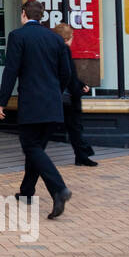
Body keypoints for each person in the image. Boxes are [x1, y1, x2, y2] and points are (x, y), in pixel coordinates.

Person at [0, 0, 74, 219]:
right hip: (52, 104)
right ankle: (27, 191)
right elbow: (66, 73)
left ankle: (59, 189)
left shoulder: (18, 36)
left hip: (31, 103)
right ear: (42, 17)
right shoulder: (55, 39)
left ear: (23, 14)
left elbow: (11, 70)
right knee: (37, 149)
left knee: (31, 147)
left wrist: (1, 101)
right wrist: (54, 93)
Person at [52, 22, 97, 166]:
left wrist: (81, 84)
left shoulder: (53, 51)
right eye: (71, 37)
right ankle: (83, 154)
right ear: (66, 39)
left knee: (71, 128)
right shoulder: (64, 50)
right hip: (70, 98)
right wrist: (78, 90)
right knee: (75, 128)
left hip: (60, 96)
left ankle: (81, 155)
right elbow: (68, 75)